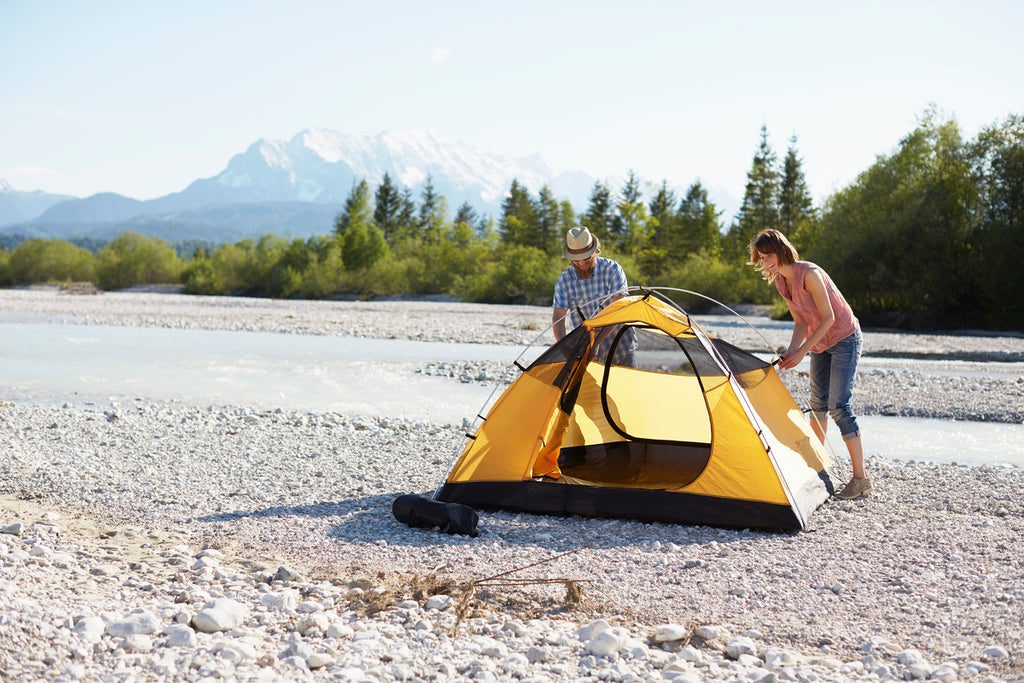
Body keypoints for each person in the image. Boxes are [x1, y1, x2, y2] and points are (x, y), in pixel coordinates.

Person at [748, 229, 870, 499]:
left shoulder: (810, 274)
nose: (766, 263)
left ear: (781, 250)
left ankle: (860, 479)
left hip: (845, 339)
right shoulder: (782, 282)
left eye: (768, 256)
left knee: (839, 407)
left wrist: (802, 351)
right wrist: (790, 353)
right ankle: (819, 470)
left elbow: (827, 318)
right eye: (762, 259)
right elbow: (801, 322)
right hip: (820, 344)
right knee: (817, 408)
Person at [552, 226, 634, 365]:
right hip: (585, 352)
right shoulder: (564, 280)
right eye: (576, 260)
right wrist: (565, 350)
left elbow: (618, 310)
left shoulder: (612, 270)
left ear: (595, 251)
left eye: (586, 258)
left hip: (621, 347)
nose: (582, 263)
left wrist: (596, 343)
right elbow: (558, 317)